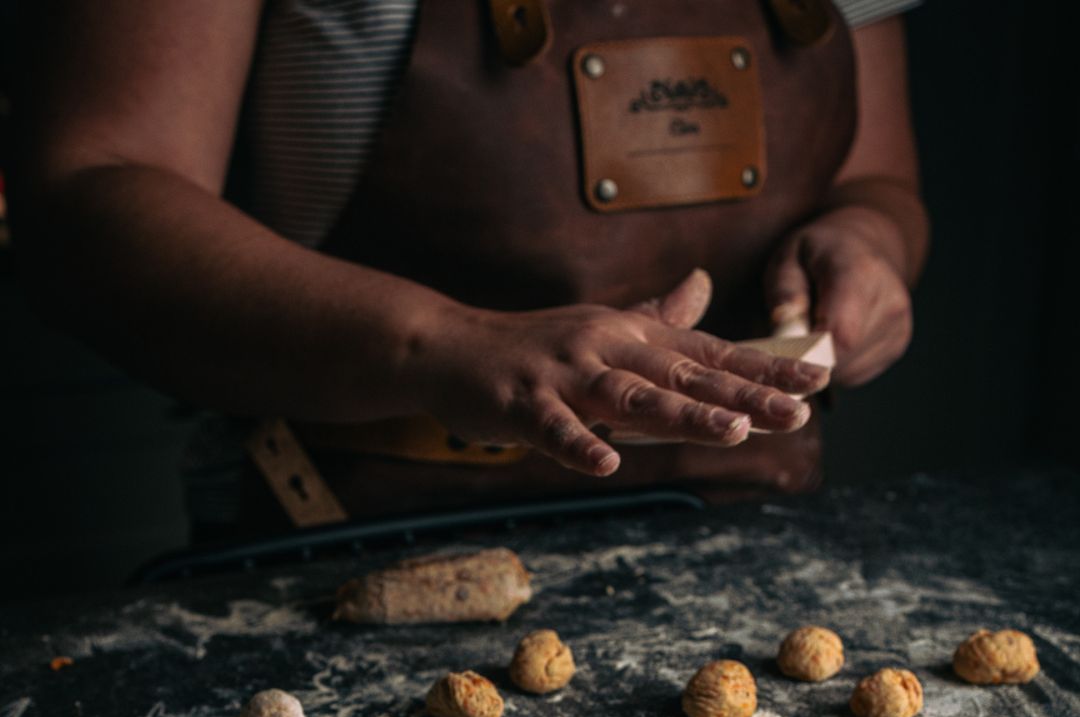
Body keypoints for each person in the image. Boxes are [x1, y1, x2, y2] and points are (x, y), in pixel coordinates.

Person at [19, 0, 928, 534]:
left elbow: (877, 178)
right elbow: (88, 192)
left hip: (756, 527)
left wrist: (873, 239)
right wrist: (445, 344)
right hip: (359, 543)